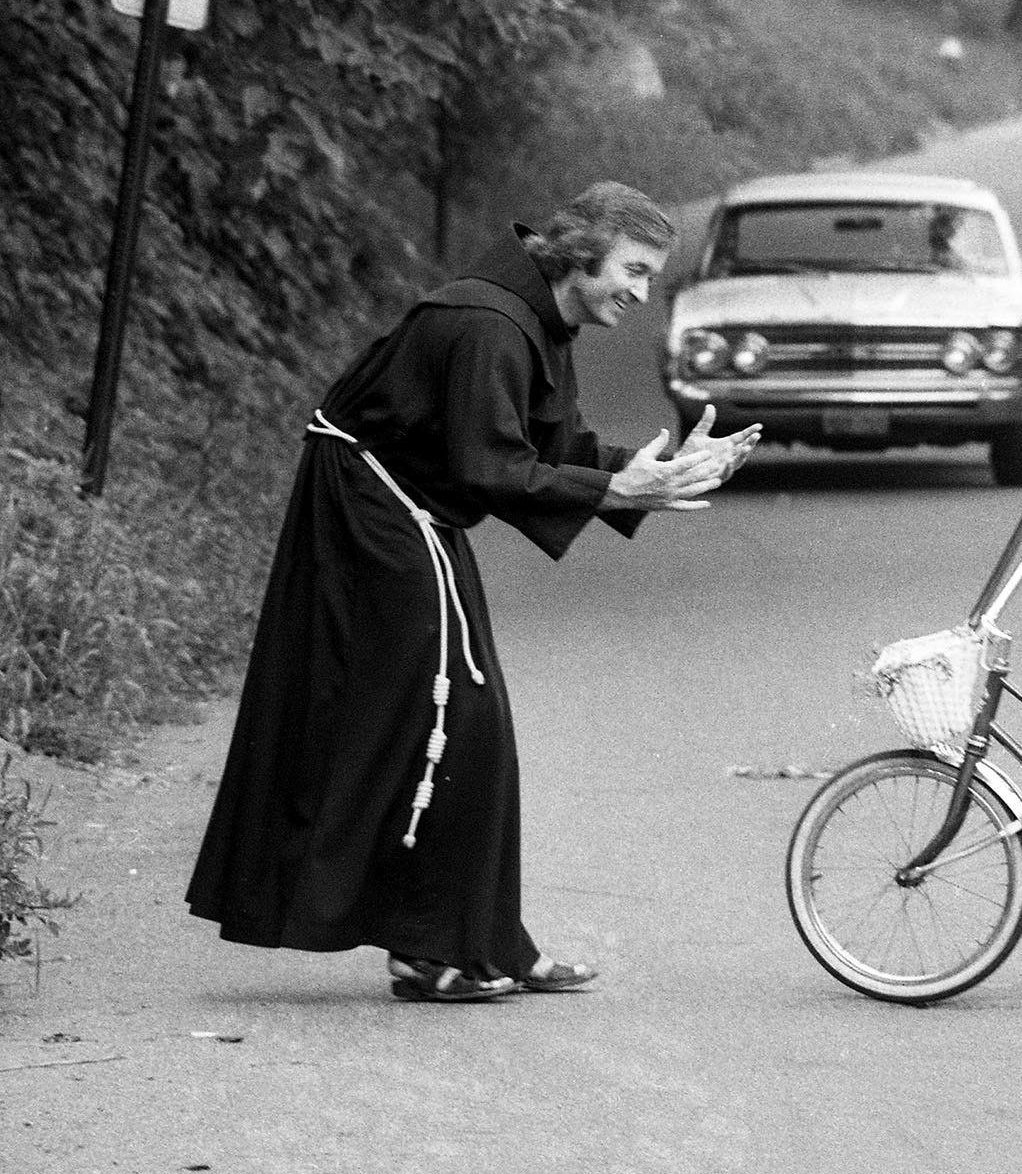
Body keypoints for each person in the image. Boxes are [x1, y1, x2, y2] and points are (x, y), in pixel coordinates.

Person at [185, 182, 761, 1003]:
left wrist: (656, 472)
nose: (640, 292)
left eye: (650, 276)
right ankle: (429, 952)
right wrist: (619, 492)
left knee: (471, 722)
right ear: (581, 255)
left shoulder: (538, 319)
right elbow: (489, 468)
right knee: (449, 717)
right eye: (633, 270)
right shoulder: (491, 323)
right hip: (374, 508)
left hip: (408, 505)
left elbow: (544, 445)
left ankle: (484, 940)